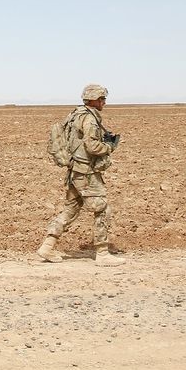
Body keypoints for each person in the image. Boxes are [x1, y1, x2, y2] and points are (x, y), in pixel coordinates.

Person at [38, 83, 125, 267]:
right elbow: (91, 146)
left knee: (70, 210)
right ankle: (102, 253)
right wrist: (109, 147)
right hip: (86, 173)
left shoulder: (75, 114)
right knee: (102, 208)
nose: (104, 102)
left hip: (74, 172)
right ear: (94, 99)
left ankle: (47, 246)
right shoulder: (90, 120)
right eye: (102, 99)